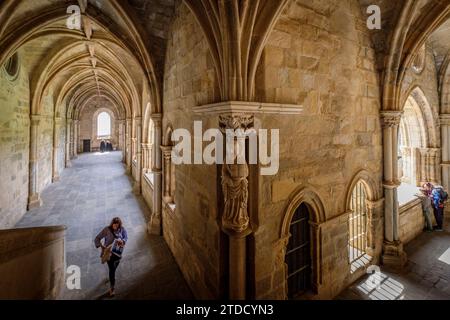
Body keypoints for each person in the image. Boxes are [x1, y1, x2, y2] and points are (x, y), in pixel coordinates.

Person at [94, 217, 128, 297]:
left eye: (117, 225)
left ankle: (111, 276)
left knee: (114, 268)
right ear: (112, 224)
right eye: (114, 225)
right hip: (109, 253)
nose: (116, 227)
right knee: (112, 269)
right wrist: (101, 246)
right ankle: (112, 288)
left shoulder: (122, 229)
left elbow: (125, 237)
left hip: (118, 253)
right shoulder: (107, 229)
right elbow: (97, 238)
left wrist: (123, 241)